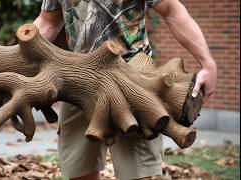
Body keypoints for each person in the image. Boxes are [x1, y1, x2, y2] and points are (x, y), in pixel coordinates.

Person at [33, 0, 217, 179]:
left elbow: (171, 10)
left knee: (138, 174)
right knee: (79, 171)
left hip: (133, 82)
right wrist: (12, 60)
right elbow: (48, 21)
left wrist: (208, 64)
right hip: (79, 81)